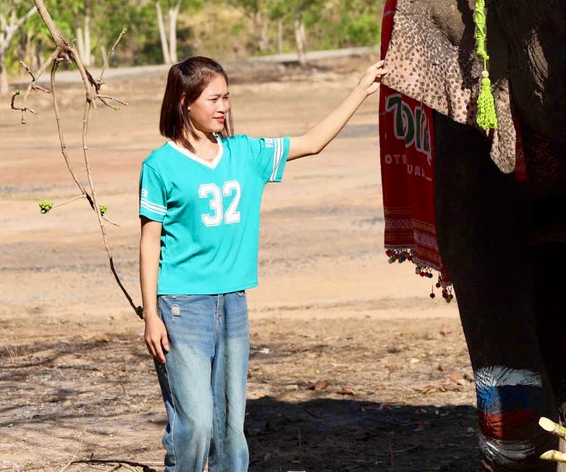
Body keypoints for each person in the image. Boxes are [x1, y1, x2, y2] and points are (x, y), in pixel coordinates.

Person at [139, 55, 384, 472]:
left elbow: (312, 142)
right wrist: (150, 315)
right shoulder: (159, 166)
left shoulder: (246, 153)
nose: (224, 107)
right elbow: (149, 243)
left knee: (231, 428)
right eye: (214, 98)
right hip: (181, 308)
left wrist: (361, 90)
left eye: (227, 97)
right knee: (195, 424)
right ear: (185, 101)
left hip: (233, 305)